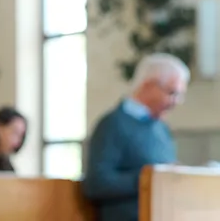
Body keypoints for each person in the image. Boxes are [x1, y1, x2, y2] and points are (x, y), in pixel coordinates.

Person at [81, 53, 190, 221]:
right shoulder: (113, 124)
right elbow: (95, 184)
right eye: (172, 93)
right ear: (149, 85)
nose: (176, 102)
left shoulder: (161, 128)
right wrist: (149, 178)